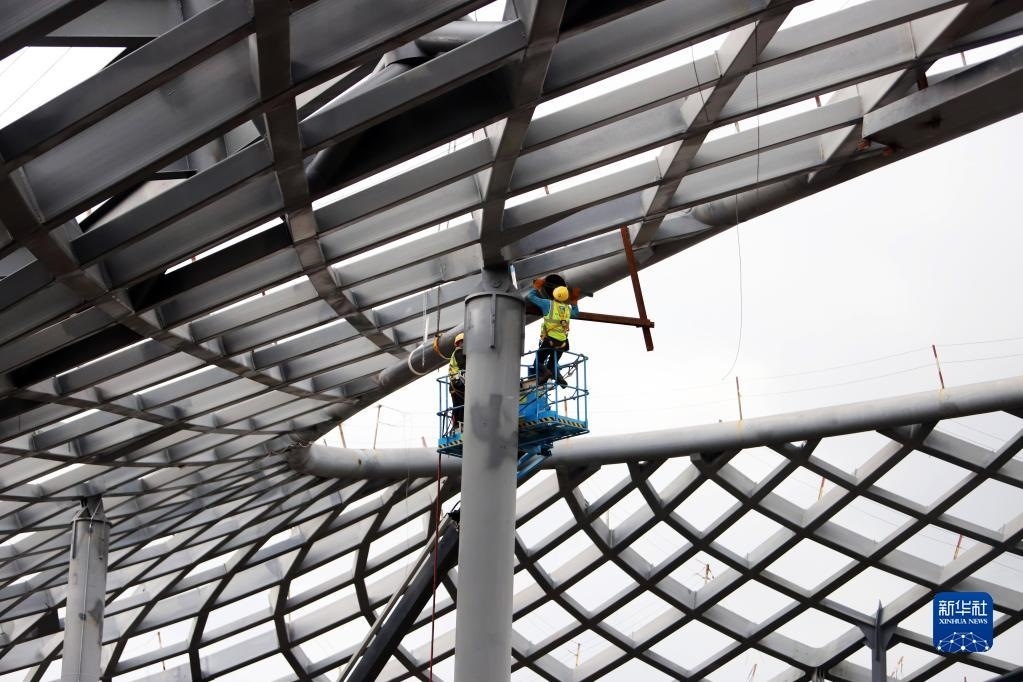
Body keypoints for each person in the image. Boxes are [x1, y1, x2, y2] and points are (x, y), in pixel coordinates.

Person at [525, 279, 579, 387]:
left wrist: (537, 287)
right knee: (552, 363)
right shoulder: (567, 309)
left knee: (537, 363)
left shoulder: (548, 304)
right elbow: (575, 313)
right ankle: (559, 378)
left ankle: (546, 373)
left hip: (550, 340)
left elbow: (530, 297)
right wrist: (574, 301)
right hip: (563, 343)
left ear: (554, 294)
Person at [448, 332, 466, 432]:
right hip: (457, 383)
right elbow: (463, 365)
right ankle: (458, 425)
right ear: (458, 343)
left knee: (458, 405)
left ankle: (457, 425)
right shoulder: (459, 352)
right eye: (462, 342)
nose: (463, 344)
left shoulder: (456, 353)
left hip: (455, 383)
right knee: (461, 404)